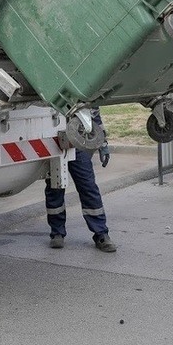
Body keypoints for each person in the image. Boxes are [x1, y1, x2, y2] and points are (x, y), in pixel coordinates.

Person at [47, 108, 117, 252]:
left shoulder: (79, 87)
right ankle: (57, 233)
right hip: (52, 141)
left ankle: (101, 234)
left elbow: (93, 111)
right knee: (55, 186)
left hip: (77, 141)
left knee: (88, 187)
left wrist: (102, 142)